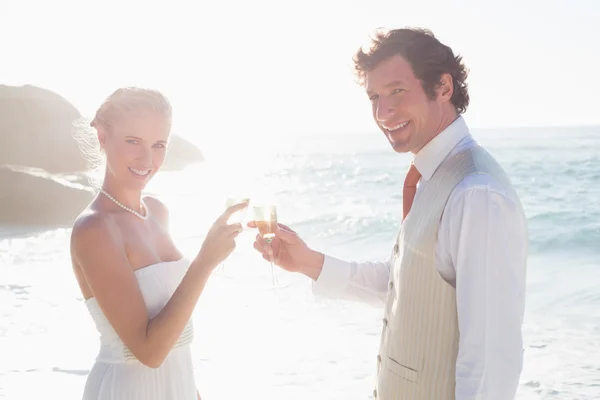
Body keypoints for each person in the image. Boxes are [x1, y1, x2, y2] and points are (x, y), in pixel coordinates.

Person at [250, 28, 528, 399]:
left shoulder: (476, 193)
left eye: (397, 91)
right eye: (374, 97)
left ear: (443, 87)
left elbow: (491, 357)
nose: (383, 112)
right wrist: (309, 263)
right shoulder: (433, 176)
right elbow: (405, 288)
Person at [70, 87, 247, 400]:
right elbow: (149, 351)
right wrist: (205, 261)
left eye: (158, 145)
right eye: (133, 141)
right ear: (102, 137)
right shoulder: (95, 229)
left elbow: (175, 336)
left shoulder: (158, 211)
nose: (146, 158)